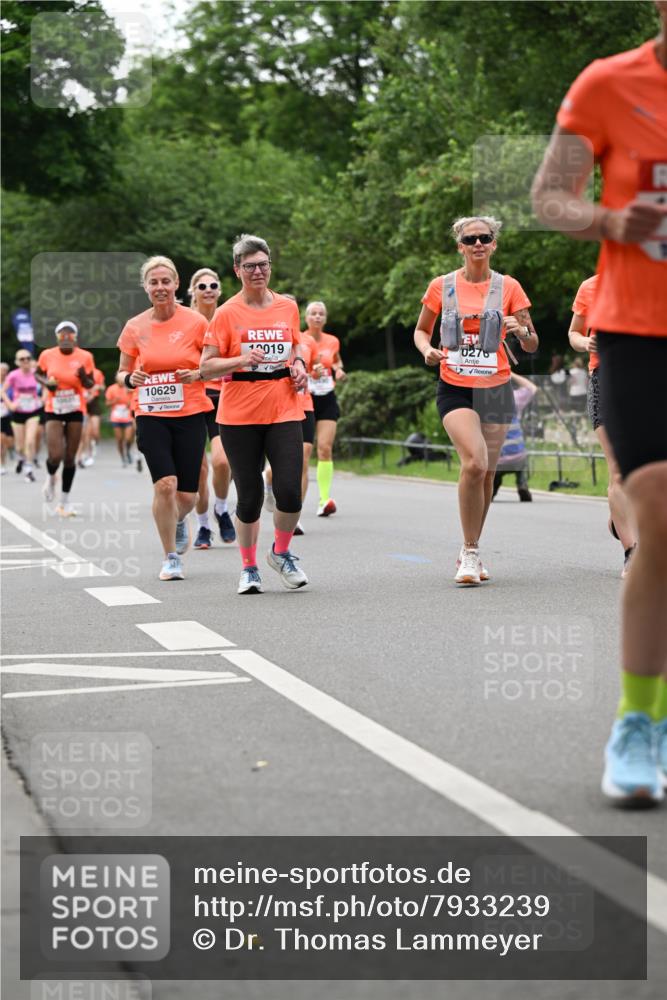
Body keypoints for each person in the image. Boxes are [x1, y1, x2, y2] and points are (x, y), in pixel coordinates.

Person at [532, 1, 667, 803]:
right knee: (659, 514)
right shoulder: (609, 84)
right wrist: (613, 219)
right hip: (638, 334)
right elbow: (550, 197)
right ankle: (638, 722)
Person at [414, 215, 539, 585]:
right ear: (461, 247)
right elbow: (421, 331)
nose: (478, 244)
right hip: (455, 385)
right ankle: (470, 552)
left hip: (496, 387)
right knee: (474, 462)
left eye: (485, 238)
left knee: (487, 473)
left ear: (494, 244)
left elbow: (533, 343)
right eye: (471, 240)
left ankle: (471, 548)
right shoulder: (442, 286)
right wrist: (427, 350)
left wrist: (522, 330)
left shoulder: (509, 286)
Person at [200, 233, 309, 595]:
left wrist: (298, 364)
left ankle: (281, 552)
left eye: (263, 265)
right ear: (237, 270)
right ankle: (248, 567)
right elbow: (206, 366)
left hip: (284, 408)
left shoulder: (287, 307)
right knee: (249, 497)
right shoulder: (226, 313)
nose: (258, 271)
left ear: (270, 267)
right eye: (250, 266)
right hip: (239, 415)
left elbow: (295, 345)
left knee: (290, 491)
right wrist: (241, 359)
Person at [117, 256, 213, 581]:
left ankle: (179, 518)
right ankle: (171, 557)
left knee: (188, 496)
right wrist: (129, 379)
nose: (160, 287)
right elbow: (121, 371)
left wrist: (197, 373)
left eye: (165, 281)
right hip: (151, 414)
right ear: (145, 287)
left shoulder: (196, 322)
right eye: (153, 282)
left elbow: (212, 363)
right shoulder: (135, 326)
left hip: (190, 412)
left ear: (176, 284)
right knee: (165, 484)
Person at [568, 274, 637, 577]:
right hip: (606, 380)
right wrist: (585, 341)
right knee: (619, 469)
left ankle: (619, 518)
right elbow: (574, 333)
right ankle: (632, 552)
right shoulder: (591, 287)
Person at [187, 268, 236, 548]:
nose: (208, 289)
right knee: (198, 471)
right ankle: (203, 525)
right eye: (202, 285)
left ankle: (221, 508)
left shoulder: (227, 317)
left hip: (222, 396)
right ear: (193, 291)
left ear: (219, 290)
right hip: (192, 398)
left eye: (213, 285)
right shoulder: (184, 322)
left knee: (222, 462)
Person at [35, 322, 95, 516]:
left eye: (70, 334)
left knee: (70, 457)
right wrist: (47, 383)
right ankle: (51, 477)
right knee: (55, 455)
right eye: (63, 335)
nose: (66, 338)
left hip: (75, 408)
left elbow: (90, 384)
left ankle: (64, 501)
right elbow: (37, 374)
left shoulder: (85, 356)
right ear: (57, 337)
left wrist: (83, 377)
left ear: (75, 337)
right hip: (54, 408)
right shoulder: (47, 355)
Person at [301, 300, 346, 517]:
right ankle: (275, 480)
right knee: (303, 453)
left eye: (321, 314)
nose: (317, 317)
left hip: (327, 396)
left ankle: (324, 499)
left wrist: (338, 370)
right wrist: (311, 374)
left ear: (325, 318)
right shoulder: (300, 339)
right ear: (306, 318)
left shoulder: (333, 341)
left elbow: (336, 360)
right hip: (305, 397)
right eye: (313, 313)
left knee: (325, 448)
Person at [492, 372, 538, 502]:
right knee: (522, 459)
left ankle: (493, 488)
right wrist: (510, 373)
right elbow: (532, 388)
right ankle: (522, 483)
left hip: (497, 462)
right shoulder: (514, 398)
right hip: (518, 458)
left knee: (494, 472)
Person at [2, 349, 43, 482]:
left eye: (28, 358)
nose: (25, 361)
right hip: (18, 412)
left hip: (33, 411)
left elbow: (48, 387)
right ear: (17, 362)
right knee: (19, 446)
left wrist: (42, 400)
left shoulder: (36, 374)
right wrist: (10, 404)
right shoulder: (13, 375)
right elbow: (2, 391)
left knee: (30, 441)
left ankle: (29, 469)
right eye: (22, 359)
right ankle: (21, 458)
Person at [77, 365, 105, 467]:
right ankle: (84, 455)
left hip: (94, 403)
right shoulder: (78, 372)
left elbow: (102, 387)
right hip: (83, 402)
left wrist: (97, 387)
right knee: (85, 432)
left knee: (95, 430)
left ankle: (95, 444)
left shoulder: (97, 372)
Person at [105, 380, 136, 467]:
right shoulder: (111, 388)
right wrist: (114, 401)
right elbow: (107, 403)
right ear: (117, 379)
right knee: (119, 440)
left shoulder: (129, 388)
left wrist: (130, 404)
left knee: (128, 438)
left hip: (127, 417)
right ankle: (123, 458)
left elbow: (135, 400)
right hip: (116, 418)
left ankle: (128, 451)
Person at [0, 363, 14, 475]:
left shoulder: (10, 384)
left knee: (9, 442)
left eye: (5, 370)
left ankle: (11, 451)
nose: (3, 372)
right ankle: (2, 464)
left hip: (9, 415)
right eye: (1, 370)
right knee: (1, 440)